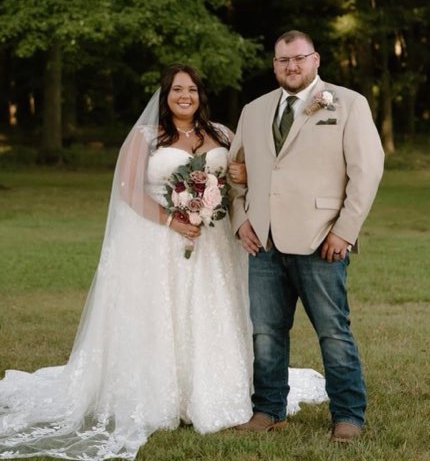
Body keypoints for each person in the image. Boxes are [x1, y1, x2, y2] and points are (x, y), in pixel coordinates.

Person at [0, 63, 327, 460]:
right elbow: (127, 189)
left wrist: (237, 176)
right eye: (176, 90)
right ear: (165, 95)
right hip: (161, 243)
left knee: (214, 312)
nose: (184, 96)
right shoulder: (146, 136)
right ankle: (164, 396)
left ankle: (216, 390)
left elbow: (244, 180)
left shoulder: (221, 133)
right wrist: (173, 219)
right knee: (164, 314)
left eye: (191, 89)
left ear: (200, 95)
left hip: (214, 248)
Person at [229, 31, 384, 441]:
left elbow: (366, 172)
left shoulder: (348, 103)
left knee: (333, 332)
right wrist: (241, 219)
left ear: (315, 60)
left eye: (298, 59)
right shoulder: (255, 110)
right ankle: (267, 410)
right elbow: (236, 170)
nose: (291, 67)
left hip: (322, 240)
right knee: (265, 332)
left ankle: (348, 415)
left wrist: (345, 231)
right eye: (283, 61)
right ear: (275, 65)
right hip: (263, 241)